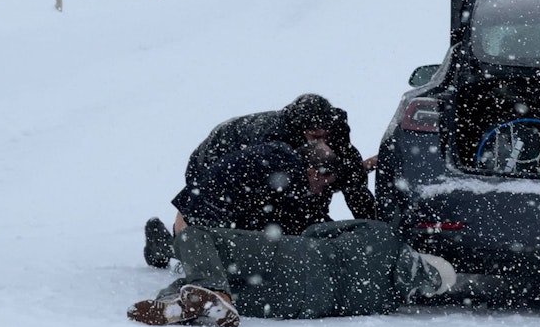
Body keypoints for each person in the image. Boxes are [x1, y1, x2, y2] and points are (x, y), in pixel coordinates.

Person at [127, 143, 455, 327]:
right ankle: (197, 300)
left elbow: (318, 231)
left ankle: (189, 295)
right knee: (219, 283)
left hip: (294, 254)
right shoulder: (386, 302)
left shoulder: (383, 237)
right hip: (293, 303)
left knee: (198, 236)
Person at [142, 93, 377, 268]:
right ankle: (168, 247)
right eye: (315, 136)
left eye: (326, 135)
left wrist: (373, 227)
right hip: (214, 163)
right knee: (225, 234)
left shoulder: (333, 135)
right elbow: (224, 188)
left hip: (286, 176)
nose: (323, 140)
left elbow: (350, 178)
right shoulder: (269, 143)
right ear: (299, 129)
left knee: (305, 217)